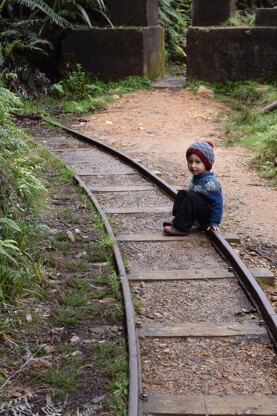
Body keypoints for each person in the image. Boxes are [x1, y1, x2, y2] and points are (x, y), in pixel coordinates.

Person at [163, 140, 223, 236]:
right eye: (190, 161)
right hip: (197, 212)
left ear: (206, 164)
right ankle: (179, 220)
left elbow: (218, 202)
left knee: (192, 196)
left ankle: (181, 228)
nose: (193, 165)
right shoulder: (198, 176)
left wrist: (214, 222)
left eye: (197, 162)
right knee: (182, 193)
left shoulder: (209, 181)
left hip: (206, 218)